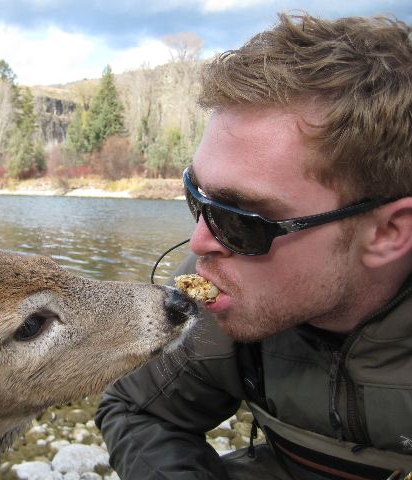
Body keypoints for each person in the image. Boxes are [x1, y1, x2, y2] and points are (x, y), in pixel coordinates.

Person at [95, 12, 412, 480]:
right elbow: (137, 408)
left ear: (388, 233)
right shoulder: (223, 286)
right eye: (195, 197)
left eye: (241, 221)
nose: (202, 242)